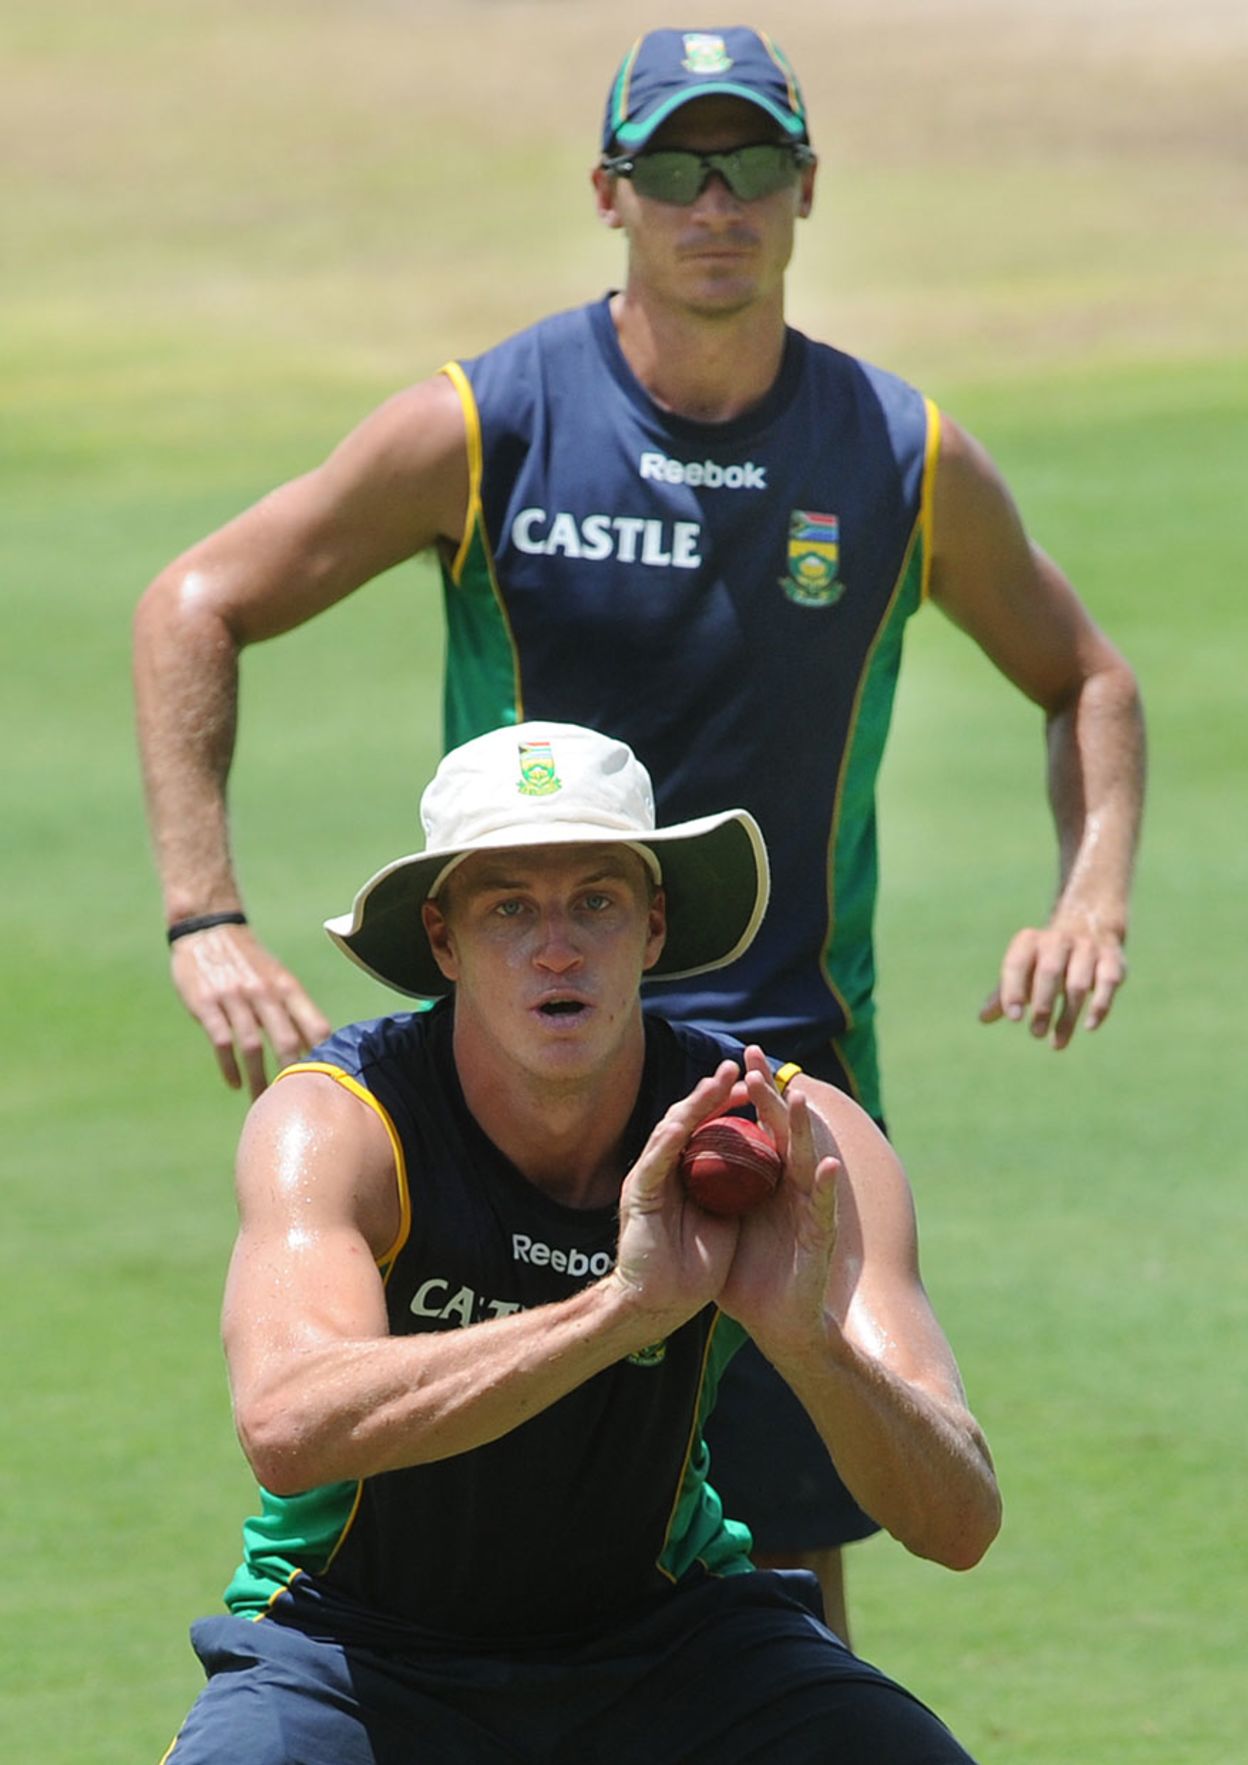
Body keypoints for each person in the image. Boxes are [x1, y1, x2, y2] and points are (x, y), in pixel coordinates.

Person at [134, 27, 1144, 1634]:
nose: (715, 200)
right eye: (676, 165)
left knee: (794, 1531)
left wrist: (1088, 892)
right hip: (517, 1075)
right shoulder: (490, 427)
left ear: (809, 190)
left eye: (751, 163)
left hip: (774, 1063)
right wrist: (207, 913)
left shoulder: (898, 457)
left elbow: (1084, 672)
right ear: (612, 194)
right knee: (479, 1486)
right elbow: (198, 598)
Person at [159, 721, 1001, 1765]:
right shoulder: (340, 1124)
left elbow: (957, 1521)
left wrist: (808, 1347)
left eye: (595, 901)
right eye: (508, 905)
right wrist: (620, 1311)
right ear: (441, 940)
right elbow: (287, 1424)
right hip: (351, 1643)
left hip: (666, 1638)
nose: (556, 945)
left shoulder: (795, 1134)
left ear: (651, 928)